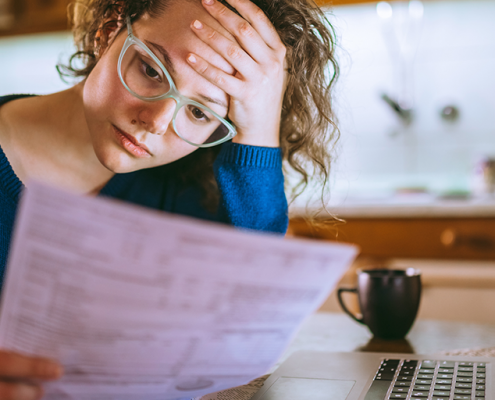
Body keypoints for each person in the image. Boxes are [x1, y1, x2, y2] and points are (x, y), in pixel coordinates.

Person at [0, 0, 338, 397]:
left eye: (199, 113)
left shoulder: (185, 199)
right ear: (108, 31)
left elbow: (248, 317)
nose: (157, 122)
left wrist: (260, 129)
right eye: (151, 70)